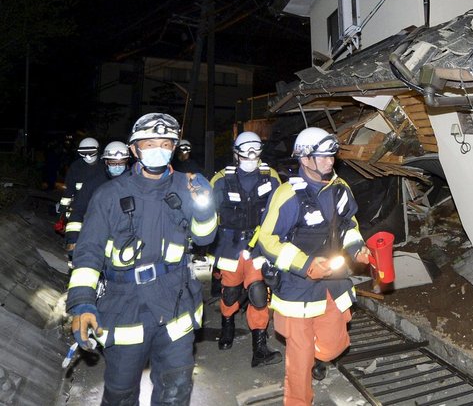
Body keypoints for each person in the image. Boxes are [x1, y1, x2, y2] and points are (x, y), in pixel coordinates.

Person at [66, 113, 217, 406]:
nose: (158, 149)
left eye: (165, 143)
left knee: (176, 390)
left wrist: (205, 205)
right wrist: (82, 302)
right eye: (149, 143)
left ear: (173, 147)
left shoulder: (188, 187)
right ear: (134, 149)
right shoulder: (109, 194)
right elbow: (89, 250)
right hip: (126, 308)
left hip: (175, 302)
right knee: (120, 395)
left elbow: (205, 237)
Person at [258, 127, 369, 406]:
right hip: (297, 291)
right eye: (322, 157)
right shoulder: (288, 195)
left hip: (333, 284)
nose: (330, 162)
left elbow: (349, 226)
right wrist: (305, 265)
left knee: (334, 346)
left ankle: (321, 358)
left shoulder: (341, 189)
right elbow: (267, 241)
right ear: (305, 159)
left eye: (332, 155)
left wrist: (358, 248)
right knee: (300, 357)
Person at [210, 131, 283, 367]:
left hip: (258, 248)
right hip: (230, 248)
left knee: (259, 295)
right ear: (236, 153)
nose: (251, 156)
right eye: (246, 152)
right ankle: (227, 325)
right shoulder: (220, 180)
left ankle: (259, 348)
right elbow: (207, 216)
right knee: (230, 293)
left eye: (256, 151)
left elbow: (281, 212)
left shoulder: (271, 178)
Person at [64, 141, 129, 245]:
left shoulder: (135, 183)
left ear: (127, 161)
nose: (117, 166)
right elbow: (78, 211)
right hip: (97, 237)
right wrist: (73, 240)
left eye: (121, 163)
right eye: (113, 163)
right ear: (106, 162)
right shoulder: (94, 182)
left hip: (125, 241)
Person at [61, 137, 106, 255]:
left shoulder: (104, 165)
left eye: (90, 152)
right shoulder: (76, 167)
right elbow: (69, 188)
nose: (87, 156)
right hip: (79, 206)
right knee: (75, 233)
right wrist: (63, 208)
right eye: (83, 153)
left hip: (99, 207)